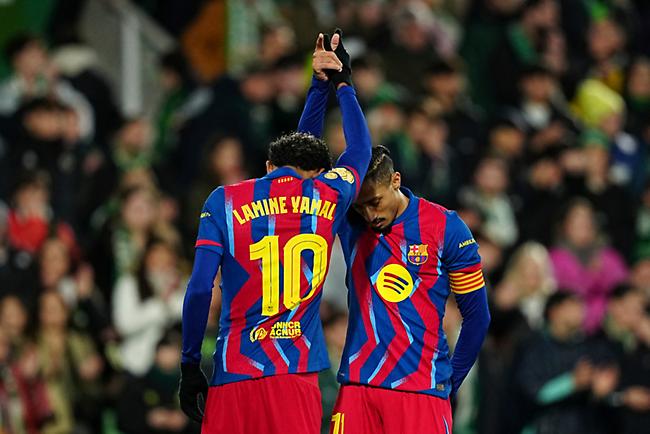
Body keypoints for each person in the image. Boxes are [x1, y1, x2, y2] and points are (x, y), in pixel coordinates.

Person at [178, 30, 372, 434]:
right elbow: (359, 151)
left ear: (269, 166)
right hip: (294, 375)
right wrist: (341, 85)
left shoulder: (224, 200)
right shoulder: (328, 196)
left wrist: (190, 363)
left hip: (234, 374)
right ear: (319, 172)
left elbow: (199, 289)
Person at [329, 146, 491, 433]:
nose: (369, 214)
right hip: (357, 388)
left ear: (396, 180)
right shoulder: (351, 223)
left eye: (375, 202)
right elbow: (308, 155)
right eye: (361, 206)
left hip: (420, 391)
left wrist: (449, 382)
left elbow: (477, 317)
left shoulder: (445, 228)